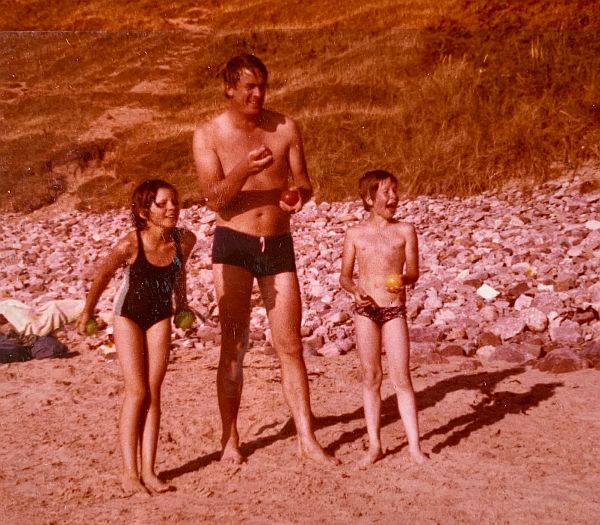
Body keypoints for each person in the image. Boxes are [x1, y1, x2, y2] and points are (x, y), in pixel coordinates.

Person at [193, 54, 337, 465]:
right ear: (229, 89)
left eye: (262, 87)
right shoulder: (208, 134)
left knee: (290, 344)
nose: (257, 94)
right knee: (234, 346)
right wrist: (240, 169)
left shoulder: (285, 127)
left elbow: (304, 183)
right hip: (233, 242)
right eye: (249, 87)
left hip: (277, 243)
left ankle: (307, 438)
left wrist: (297, 196)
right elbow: (216, 199)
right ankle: (231, 439)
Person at [77, 179, 197, 495]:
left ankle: (150, 471)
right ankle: (130, 474)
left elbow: (179, 273)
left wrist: (182, 306)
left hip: (161, 316)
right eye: (163, 203)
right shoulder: (131, 244)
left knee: (154, 393)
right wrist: (87, 312)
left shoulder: (185, 240)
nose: (172, 208)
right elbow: (103, 275)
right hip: (127, 316)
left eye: (175, 201)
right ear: (144, 211)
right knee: (137, 391)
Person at [339, 170, 428, 467]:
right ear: (368, 198)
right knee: (371, 378)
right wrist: (355, 291)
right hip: (366, 310)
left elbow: (414, 272)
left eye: (395, 191)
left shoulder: (406, 230)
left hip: (394, 309)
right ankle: (375, 445)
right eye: (387, 192)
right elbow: (345, 277)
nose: (394, 197)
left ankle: (415, 446)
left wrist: (403, 279)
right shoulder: (354, 234)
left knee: (402, 377)